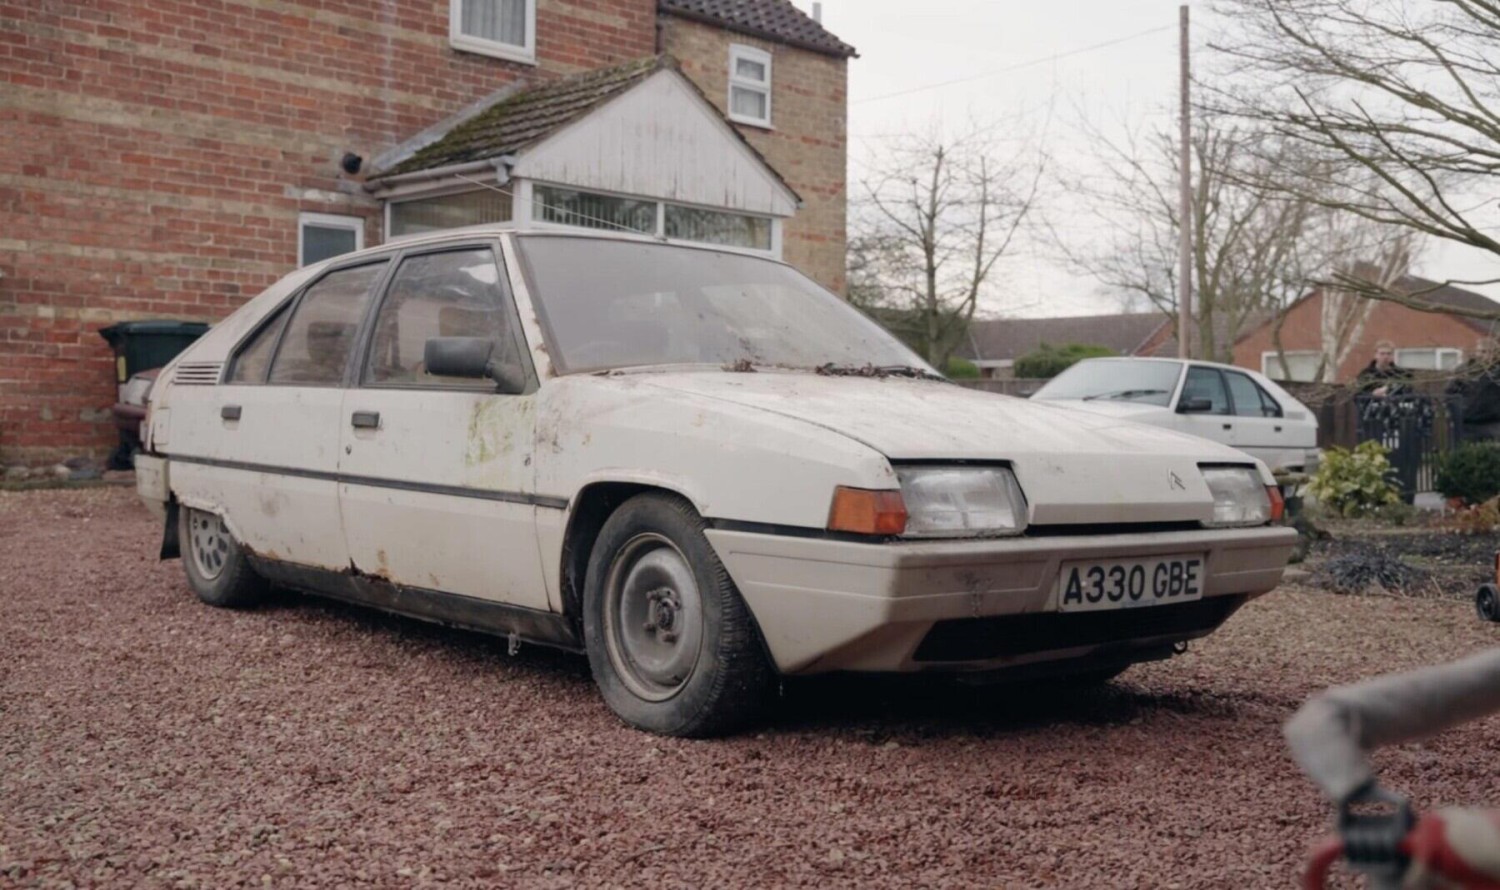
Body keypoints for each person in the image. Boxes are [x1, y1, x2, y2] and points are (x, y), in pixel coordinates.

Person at [1445, 337, 1500, 440]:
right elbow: (1450, 393)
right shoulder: (1464, 371)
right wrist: (1461, 409)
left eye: (1487, 352)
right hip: (1468, 423)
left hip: (1493, 423)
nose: (1483, 355)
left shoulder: (1497, 372)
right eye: (1480, 351)